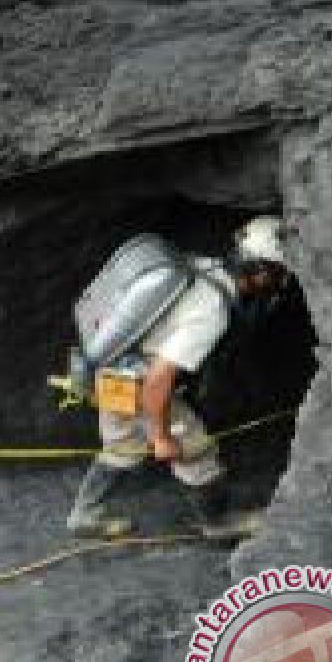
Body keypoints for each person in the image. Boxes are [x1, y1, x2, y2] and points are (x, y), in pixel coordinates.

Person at [66, 216, 292, 540]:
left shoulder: (202, 266)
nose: (279, 284)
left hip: (110, 370)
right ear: (262, 272)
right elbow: (160, 377)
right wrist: (161, 437)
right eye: (279, 274)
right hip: (142, 382)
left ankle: (85, 514)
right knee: (194, 449)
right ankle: (219, 521)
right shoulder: (211, 308)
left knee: (122, 443)